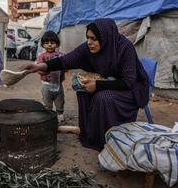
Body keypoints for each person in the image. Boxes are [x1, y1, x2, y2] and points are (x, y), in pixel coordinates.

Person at [20, 18, 149, 151]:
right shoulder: (87, 48)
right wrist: (40, 66)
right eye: (87, 38)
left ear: (105, 38)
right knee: (82, 90)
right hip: (109, 82)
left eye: (94, 39)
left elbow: (128, 81)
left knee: (103, 97)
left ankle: (108, 140)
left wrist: (98, 85)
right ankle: (91, 134)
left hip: (129, 89)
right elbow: (65, 60)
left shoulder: (124, 48)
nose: (89, 42)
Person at [36, 31, 65, 122]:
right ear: (43, 45)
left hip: (58, 84)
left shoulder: (61, 56)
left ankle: (59, 114)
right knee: (47, 102)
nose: (49, 45)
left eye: (52, 43)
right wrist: (43, 72)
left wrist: (62, 70)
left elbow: (66, 66)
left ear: (57, 44)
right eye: (46, 43)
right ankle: (48, 116)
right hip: (46, 85)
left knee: (59, 100)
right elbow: (39, 69)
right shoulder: (42, 57)